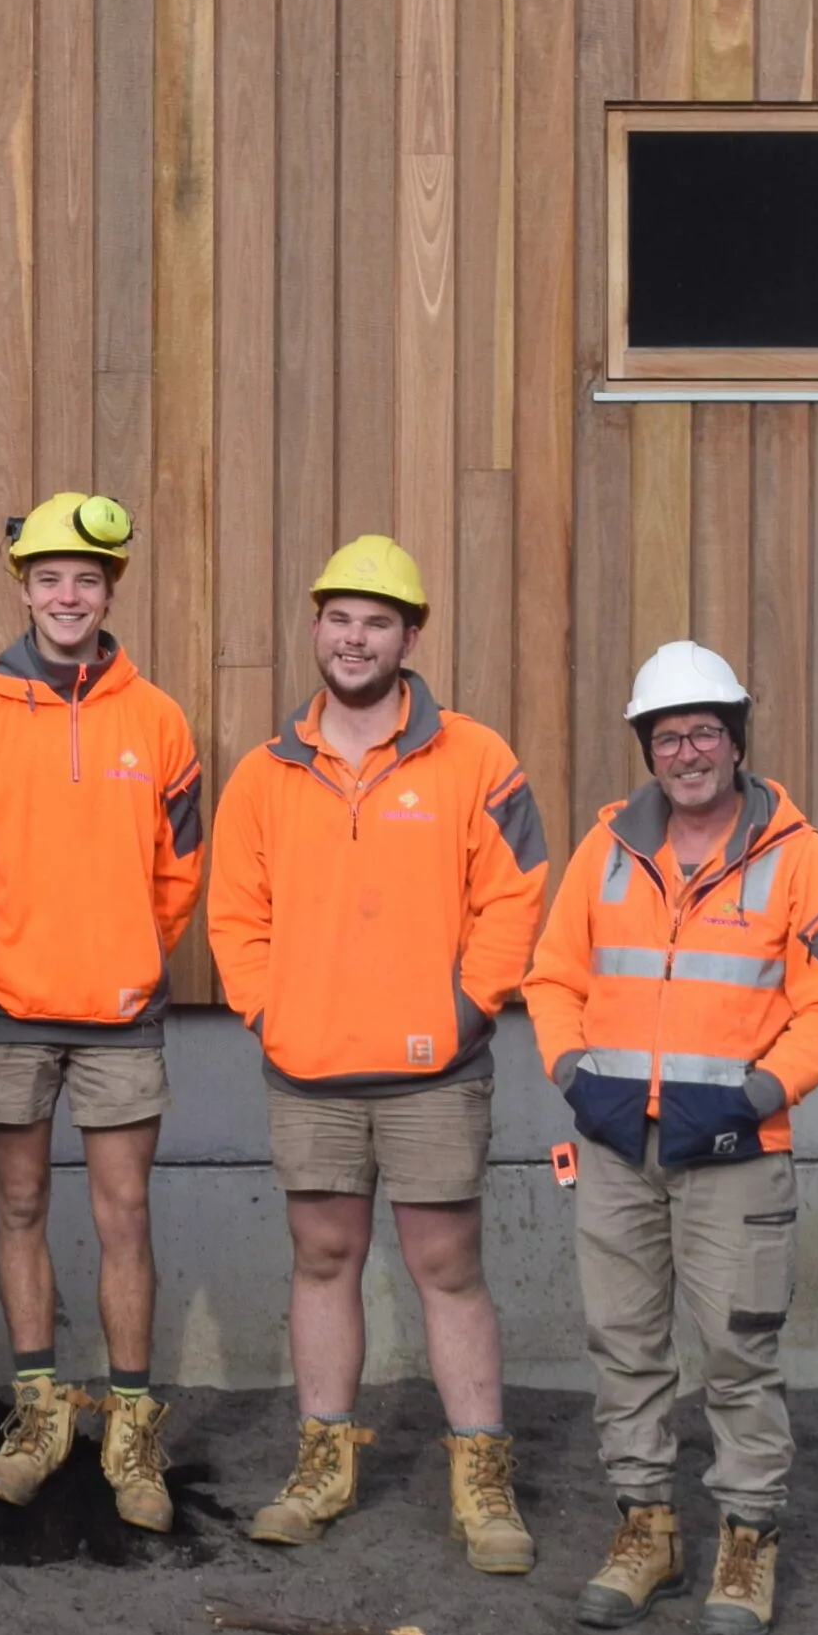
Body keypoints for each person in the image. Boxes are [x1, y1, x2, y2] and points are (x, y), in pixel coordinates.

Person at [206, 536, 549, 1574]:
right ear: (316, 628)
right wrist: (271, 1012)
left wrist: (465, 1008)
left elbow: (516, 894)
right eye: (338, 618)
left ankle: (480, 1480)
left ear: (410, 636)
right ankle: (322, 1465)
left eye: (376, 621)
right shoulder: (265, 774)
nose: (354, 638)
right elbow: (235, 913)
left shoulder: (477, 759)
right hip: (308, 1067)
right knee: (321, 1259)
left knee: (448, 1267)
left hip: (432, 1068)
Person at [525, 642, 818, 1635]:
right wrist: (572, 1075)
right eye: (667, 735)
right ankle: (645, 1530)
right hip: (617, 1148)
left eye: (703, 730)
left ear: (734, 738)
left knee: (734, 1352)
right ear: (647, 747)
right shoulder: (604, 850)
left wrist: (758, 1093)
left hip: (738, 1155)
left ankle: (746, 1539)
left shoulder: (796, 853)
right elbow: (551, 979)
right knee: (623, 1345)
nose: (686, 752)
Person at [0, 492, 204, 1524]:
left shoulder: (158, 716)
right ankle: (41, 1412)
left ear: (110, 589)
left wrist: (132, 957)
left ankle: (131, 1425)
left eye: (86, 580)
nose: (66, 596)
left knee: (123, 1213)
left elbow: (179, 869)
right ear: (24, 588)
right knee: (18, 1207)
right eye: (49, 578)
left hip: (119, 1010)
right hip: (7, 1008)